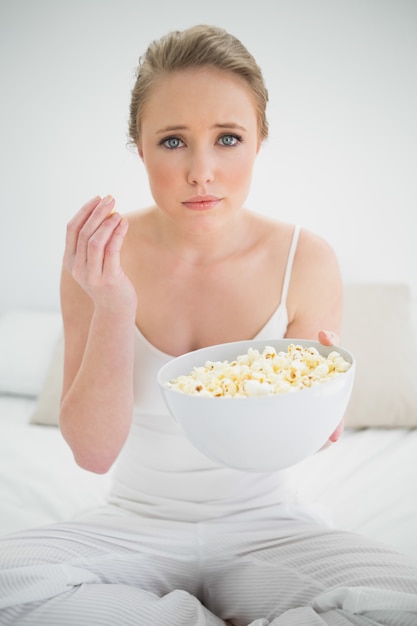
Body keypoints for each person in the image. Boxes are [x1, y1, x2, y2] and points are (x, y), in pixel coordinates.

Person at [1, 24, 417, 626]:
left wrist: (320, 408)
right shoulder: (97, 261)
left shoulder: (307, 258)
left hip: (268, 530)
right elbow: (93, 454)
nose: (202, 170)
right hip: (133, 527)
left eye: (227, 138)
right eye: (173, 141)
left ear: (259, 142)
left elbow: (309, 437)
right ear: (138, 147)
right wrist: (115, 305)